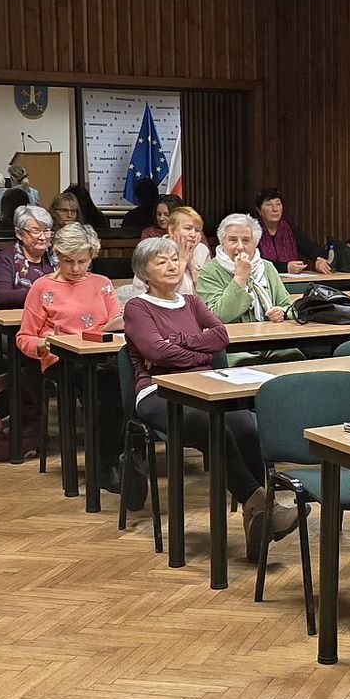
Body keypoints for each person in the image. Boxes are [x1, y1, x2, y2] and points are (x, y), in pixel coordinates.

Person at [124, 236, 301, 560]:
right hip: (159, 391)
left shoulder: (192, 302)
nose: (172, 266)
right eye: (161, 262)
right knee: (212, 427)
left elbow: (220, 337)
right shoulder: (138, 307)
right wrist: (197, 349)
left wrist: (178, 344)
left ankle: (257, 517)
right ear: (144, 273)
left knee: (246, 427)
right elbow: (156, 351)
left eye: (174, 259)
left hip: (207, 385)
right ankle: (261, 504)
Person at [16, 224, 123, 491]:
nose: (75, 268)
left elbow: (117, 323)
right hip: (61, 360)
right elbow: (24, 337)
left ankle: (119, 459)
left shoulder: (102, 284)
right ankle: (105, 465)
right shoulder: (42, 287)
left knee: (123, 388)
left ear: (91, 257)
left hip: (100, 356)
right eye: (67, 261)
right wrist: (43, 345)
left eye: (82, 261)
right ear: (57, 256)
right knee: (100, 393)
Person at [196, 213, 299, 366]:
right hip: (233, 349)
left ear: (255, 243)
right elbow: (218, 316)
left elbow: (289, 306)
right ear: (222, 242)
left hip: (274, 344)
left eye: (246, 240)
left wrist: (282, 312)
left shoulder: (267, 267)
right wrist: (240, 277)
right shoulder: (209, 271)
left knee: (295, 362)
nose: (240, 247)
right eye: (233, 240)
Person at [0, 206, 57, 309]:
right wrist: (43, 294)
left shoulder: (58, 257)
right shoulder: (6, 258)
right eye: (36, 231)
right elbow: (0, 297)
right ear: (19, 234)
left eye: (46, 231)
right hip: (21, 316)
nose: (43, 237)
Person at [132, 205, 209, 296]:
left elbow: (207, 293)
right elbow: (163, 293)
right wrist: (183, 261)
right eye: (188, 228)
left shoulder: (202, 250)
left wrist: (192, 266)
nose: (193, 234)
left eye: (197, 230)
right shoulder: (155, 250)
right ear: (171, 230)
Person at [254, 187, 332, 275]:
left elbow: (311, 248)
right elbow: (255, 262)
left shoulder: (289, 229)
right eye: (269, 205)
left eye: (278, 204)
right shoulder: (252, 230)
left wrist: (318, 259)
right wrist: (285, 267)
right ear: (259, 210)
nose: (275, 209)